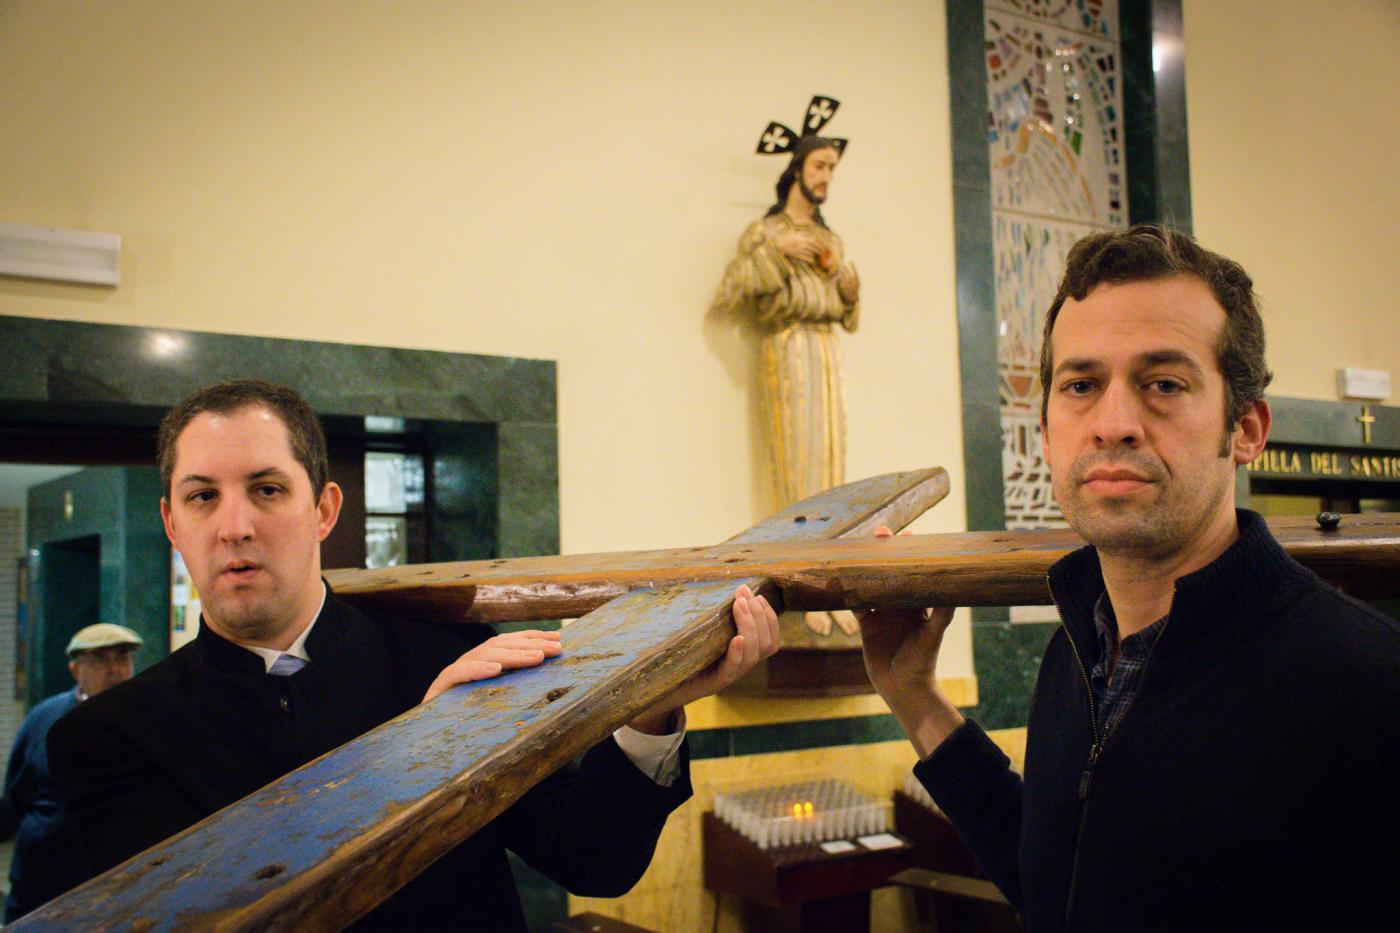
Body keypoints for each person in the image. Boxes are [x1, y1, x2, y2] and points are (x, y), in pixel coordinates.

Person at [46, 380, 779, 929]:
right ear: (172, 522)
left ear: (324, 509)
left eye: (266, 489)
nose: (234, 524)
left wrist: (651, 707)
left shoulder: (445, 650)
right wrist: (424, 751)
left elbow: (593, 860)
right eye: (203, 497)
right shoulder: (107, 738)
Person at [860, 225, 1400, 930]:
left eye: (1164, 383)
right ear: (1048, 432)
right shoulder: (1079, 657)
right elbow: (1059, 883)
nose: (1113, 422)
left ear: (1246, 429)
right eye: (1081, 384)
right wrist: (915, 697)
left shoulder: (1365, 685)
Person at [715, 125, 859, 638]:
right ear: (796, 169)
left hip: (825, 349)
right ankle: (800, 587)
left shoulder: (830, 239)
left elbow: (848, 308)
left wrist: (846, 282)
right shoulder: (766, 232)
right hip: (788, 345)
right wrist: (778, 251)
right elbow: (732, 292)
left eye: (832, 170)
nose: (825, 178)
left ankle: (828, 581)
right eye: (819, 166)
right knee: (796, 463)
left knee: (831, 465)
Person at [2, 623, 142, 921]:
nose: (114, 670)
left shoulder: (148, 718)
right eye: (100, 660)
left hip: (120, 881)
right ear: (75, 669)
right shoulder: (46, 718)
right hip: (44, 877)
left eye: (122, 658)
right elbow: (17, 791)